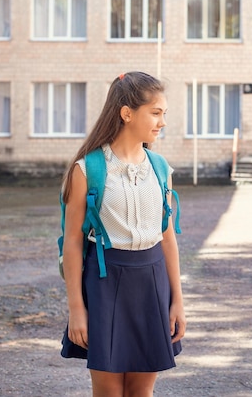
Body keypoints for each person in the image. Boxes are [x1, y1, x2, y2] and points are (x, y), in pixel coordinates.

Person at [60, 71, 186, 396]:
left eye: (164, 114)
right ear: (127, 113)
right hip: (105, 284)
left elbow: (167, 237)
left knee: (141, 393)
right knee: (109, 393)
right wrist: (76, 308)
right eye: (155, 113)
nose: (162, 122)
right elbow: (73, 242)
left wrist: (178, 302)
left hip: (152, 282)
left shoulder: (160, 168)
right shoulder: (87, 170)